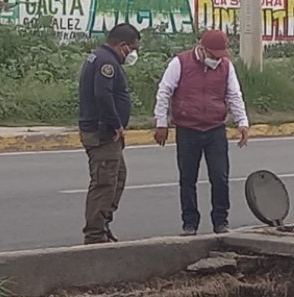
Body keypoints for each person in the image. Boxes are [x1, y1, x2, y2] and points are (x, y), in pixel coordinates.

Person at [153, 29, 250, 236]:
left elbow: (234, 95)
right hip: (188, 129)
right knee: (188, 178)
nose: (216, 59)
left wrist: (243, 122)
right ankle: (190, 223)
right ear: (202, 48)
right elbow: (164, 92)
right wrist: (161, 122)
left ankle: (220, 221)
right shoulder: (180, 63)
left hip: (215, 129)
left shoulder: (226, 67)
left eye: (220, 55)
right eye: (213, 55)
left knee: (220, 176)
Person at [77, 24, 141, 245]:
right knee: (104, 182)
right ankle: (95, 235)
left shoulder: (100, 57)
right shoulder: (106, 62)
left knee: (118, 177)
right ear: (122, 46)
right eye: (132, 49)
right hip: (102, 133)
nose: (132, 54)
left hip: (105, 132)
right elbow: (102, 95)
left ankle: (103, 224)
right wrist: (115, 124)